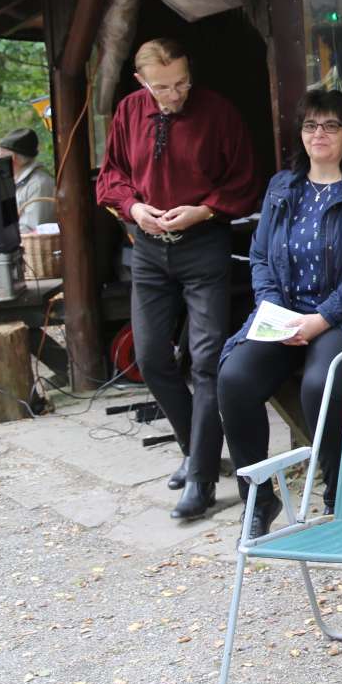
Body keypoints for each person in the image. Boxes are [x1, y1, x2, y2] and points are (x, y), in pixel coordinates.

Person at [217, 90, 342, 538]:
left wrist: (321, 319)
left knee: (322, 382)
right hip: (286, 313)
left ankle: (340, 494)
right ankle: (258, 499)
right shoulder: (282, 186)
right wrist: (271, 309)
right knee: (234, 378)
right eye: (310, 126)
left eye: (331, 126)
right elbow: (259, 256)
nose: (319, 134)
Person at [96, 38, 261, 521]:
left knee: (207, 359)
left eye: (182, 82)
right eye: (163, 87)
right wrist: (133, 208)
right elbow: (111, 177)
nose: (175, 94)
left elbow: (245, 180)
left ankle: (202, 478)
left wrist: (203, 210)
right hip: (147, 249)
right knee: (149, 357)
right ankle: (196, 449)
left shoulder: (219, 113)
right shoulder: (128, 112)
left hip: (204, 243)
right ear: (142, 82)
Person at [0, 127, 56, 230]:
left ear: (12, 158)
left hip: (32, 245)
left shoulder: (38, 184)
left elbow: (31, 230)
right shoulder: (16, 179)